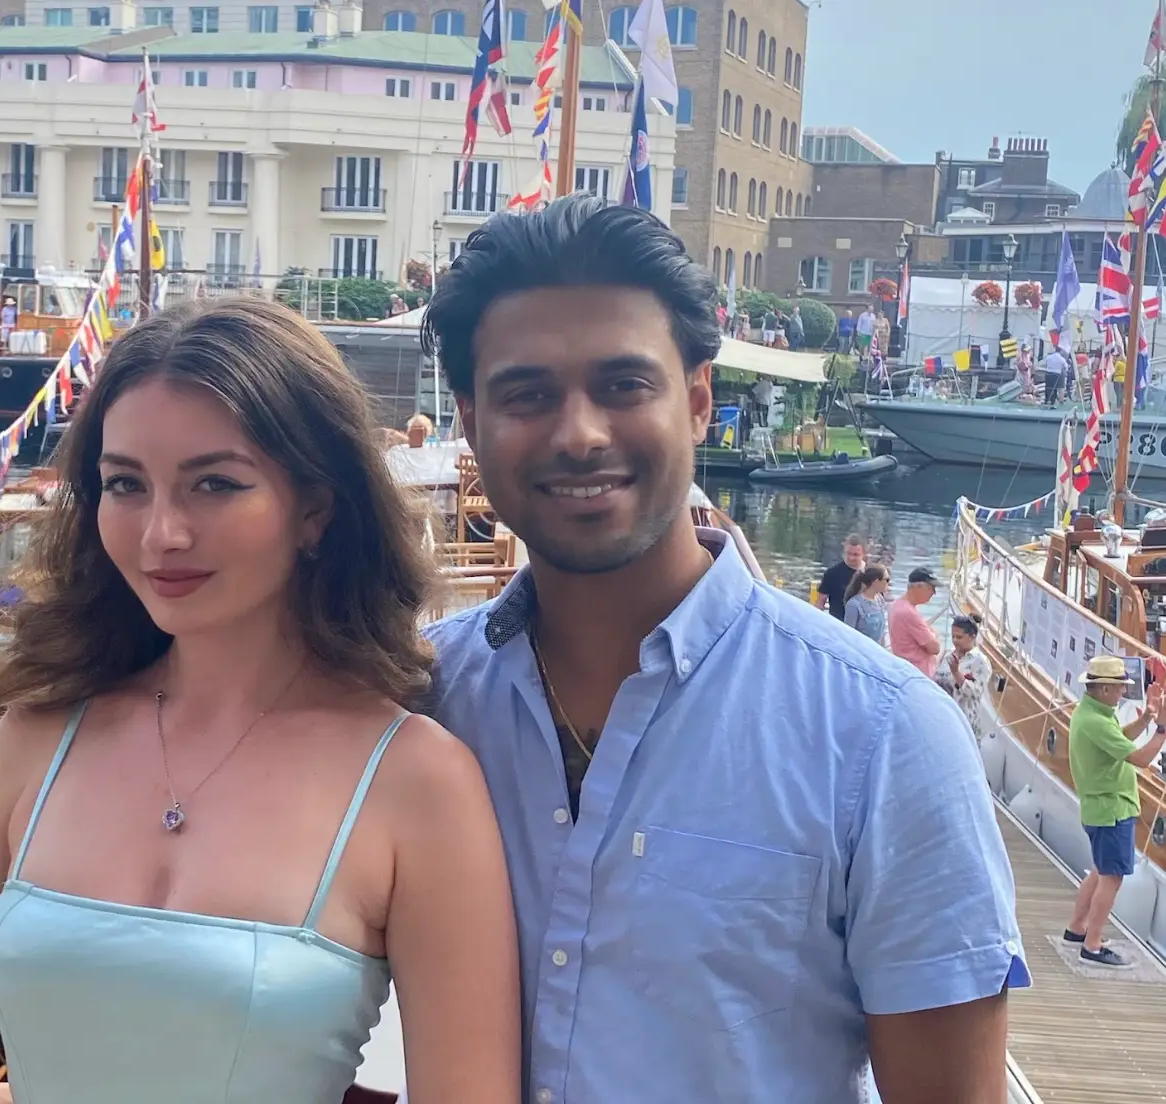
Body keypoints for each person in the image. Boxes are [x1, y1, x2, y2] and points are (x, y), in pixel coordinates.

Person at [420, 195, 1028, 1104]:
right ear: (470, 418)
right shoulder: (423, 700)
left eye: (624, 386)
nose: (579, 433)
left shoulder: (883, 738)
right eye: (528, 394)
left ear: (698, 400)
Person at [0, 299, 520, 1104]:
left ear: (316, 508)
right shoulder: (37, 735)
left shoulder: (418, 783)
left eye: (215, 484)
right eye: (126, 485)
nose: (162, 533)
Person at [1063, 655, 1166, 967]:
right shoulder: (1096, 721)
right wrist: (1162, 729)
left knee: (1100, 870)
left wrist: (1147, 717)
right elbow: (1139, 760)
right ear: (1105, 688)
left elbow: (1120, 739)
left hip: (1100, 808)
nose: (1124, 692)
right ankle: (1092, 945)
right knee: (1112, 877)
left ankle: (1077, 929)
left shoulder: (1092, 712)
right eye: (1121, 687)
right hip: (1111, 809)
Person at [934, 615, 993, 740]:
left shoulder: (980, 661)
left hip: (965, 722)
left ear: (972, 636)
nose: (955, 640)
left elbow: (975, 693)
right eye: (953, 636)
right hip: (942, 717)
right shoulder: (947, 655)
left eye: (959, 637)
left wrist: (956, 672)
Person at [888, 566, 941, 676]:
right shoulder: (909, 614)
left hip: (905, 670)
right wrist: (934, 634)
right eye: (931, 588)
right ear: (918, 587)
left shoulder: (896, 605)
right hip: (917, 674)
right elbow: (934, 648)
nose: (934, 593)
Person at [815, 533, 867, 620]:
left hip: (862, 628)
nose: (851, 558)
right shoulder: (832, 573)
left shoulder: (871, 574)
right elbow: (820, 603)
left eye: (855, 555)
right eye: (848, 553)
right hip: (838, 624)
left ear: (864, 553)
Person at [842, 564, 890, 644]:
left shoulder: (879, 599)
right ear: (876, 581)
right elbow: (848, 636)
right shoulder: (854, 605)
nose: (888, 583)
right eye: (887, 580)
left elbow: (882, 634)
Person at [1043, 343, 1070, 407]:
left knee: (1048, 388)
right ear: (1060, 351)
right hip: (1057, 374)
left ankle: (1047, 400)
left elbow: (1046, 363)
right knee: (1057, 388)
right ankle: (1056, 400)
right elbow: (1065, 367)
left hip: (1048, 373)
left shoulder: (1049, 357)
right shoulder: (1061, 359)